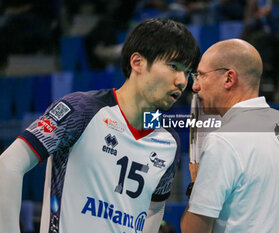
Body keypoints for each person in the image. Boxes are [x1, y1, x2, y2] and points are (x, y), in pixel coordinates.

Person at [0, 18, 200, 233]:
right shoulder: (80, 110)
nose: (182, 81)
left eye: (187, 71)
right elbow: (8, 164)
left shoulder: (170, 142)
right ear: (138, 62)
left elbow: (153, 209)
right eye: (173, 66)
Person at [180, 39, 279, 233]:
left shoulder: (223, 141)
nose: (195, 86)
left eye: (201, 75)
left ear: (229, 78)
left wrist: (195, 184)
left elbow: (193, 230)